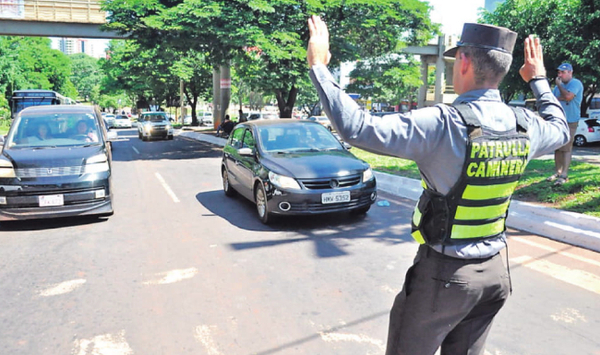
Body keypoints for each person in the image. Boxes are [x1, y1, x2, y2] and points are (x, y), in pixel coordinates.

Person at [307, 16, 569, 355]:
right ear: (504, 69)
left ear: (462, 61)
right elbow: (561, 129)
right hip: (494, 275)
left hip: (444, 278)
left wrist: (319, 66)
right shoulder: (524, 123)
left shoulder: (442, 123)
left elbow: (357, 127)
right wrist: (540, 80)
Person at [547, 62, 584, 185]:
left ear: (570, 72)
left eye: (563, 72)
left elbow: (568, 96)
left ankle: (564, 174)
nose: (560, 75)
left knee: (566, 148)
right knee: (557, 147)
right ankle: (557, 172)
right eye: (559, 72)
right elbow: (552, 100)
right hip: (558, 120)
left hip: (571, 120)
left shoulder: (575, 83)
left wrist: (559, 86)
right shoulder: (557, 88)